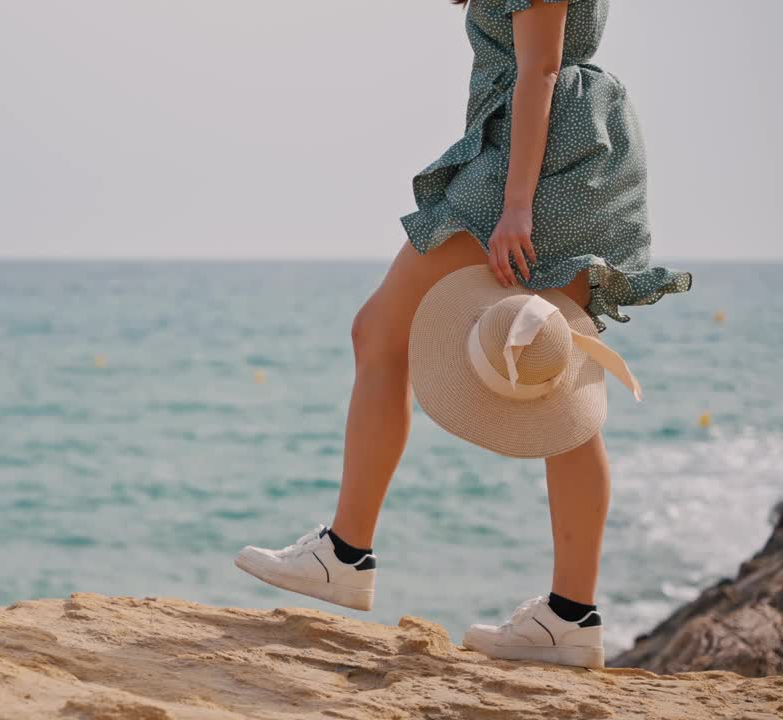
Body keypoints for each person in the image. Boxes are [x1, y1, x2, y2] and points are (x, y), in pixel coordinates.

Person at [233, 0, 691, 669]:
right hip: (581, 149)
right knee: (562, 389)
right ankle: (571, 616)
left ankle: (346, 552)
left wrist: (513, 207)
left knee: (380, 334)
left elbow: (537, 67)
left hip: (545, 158)